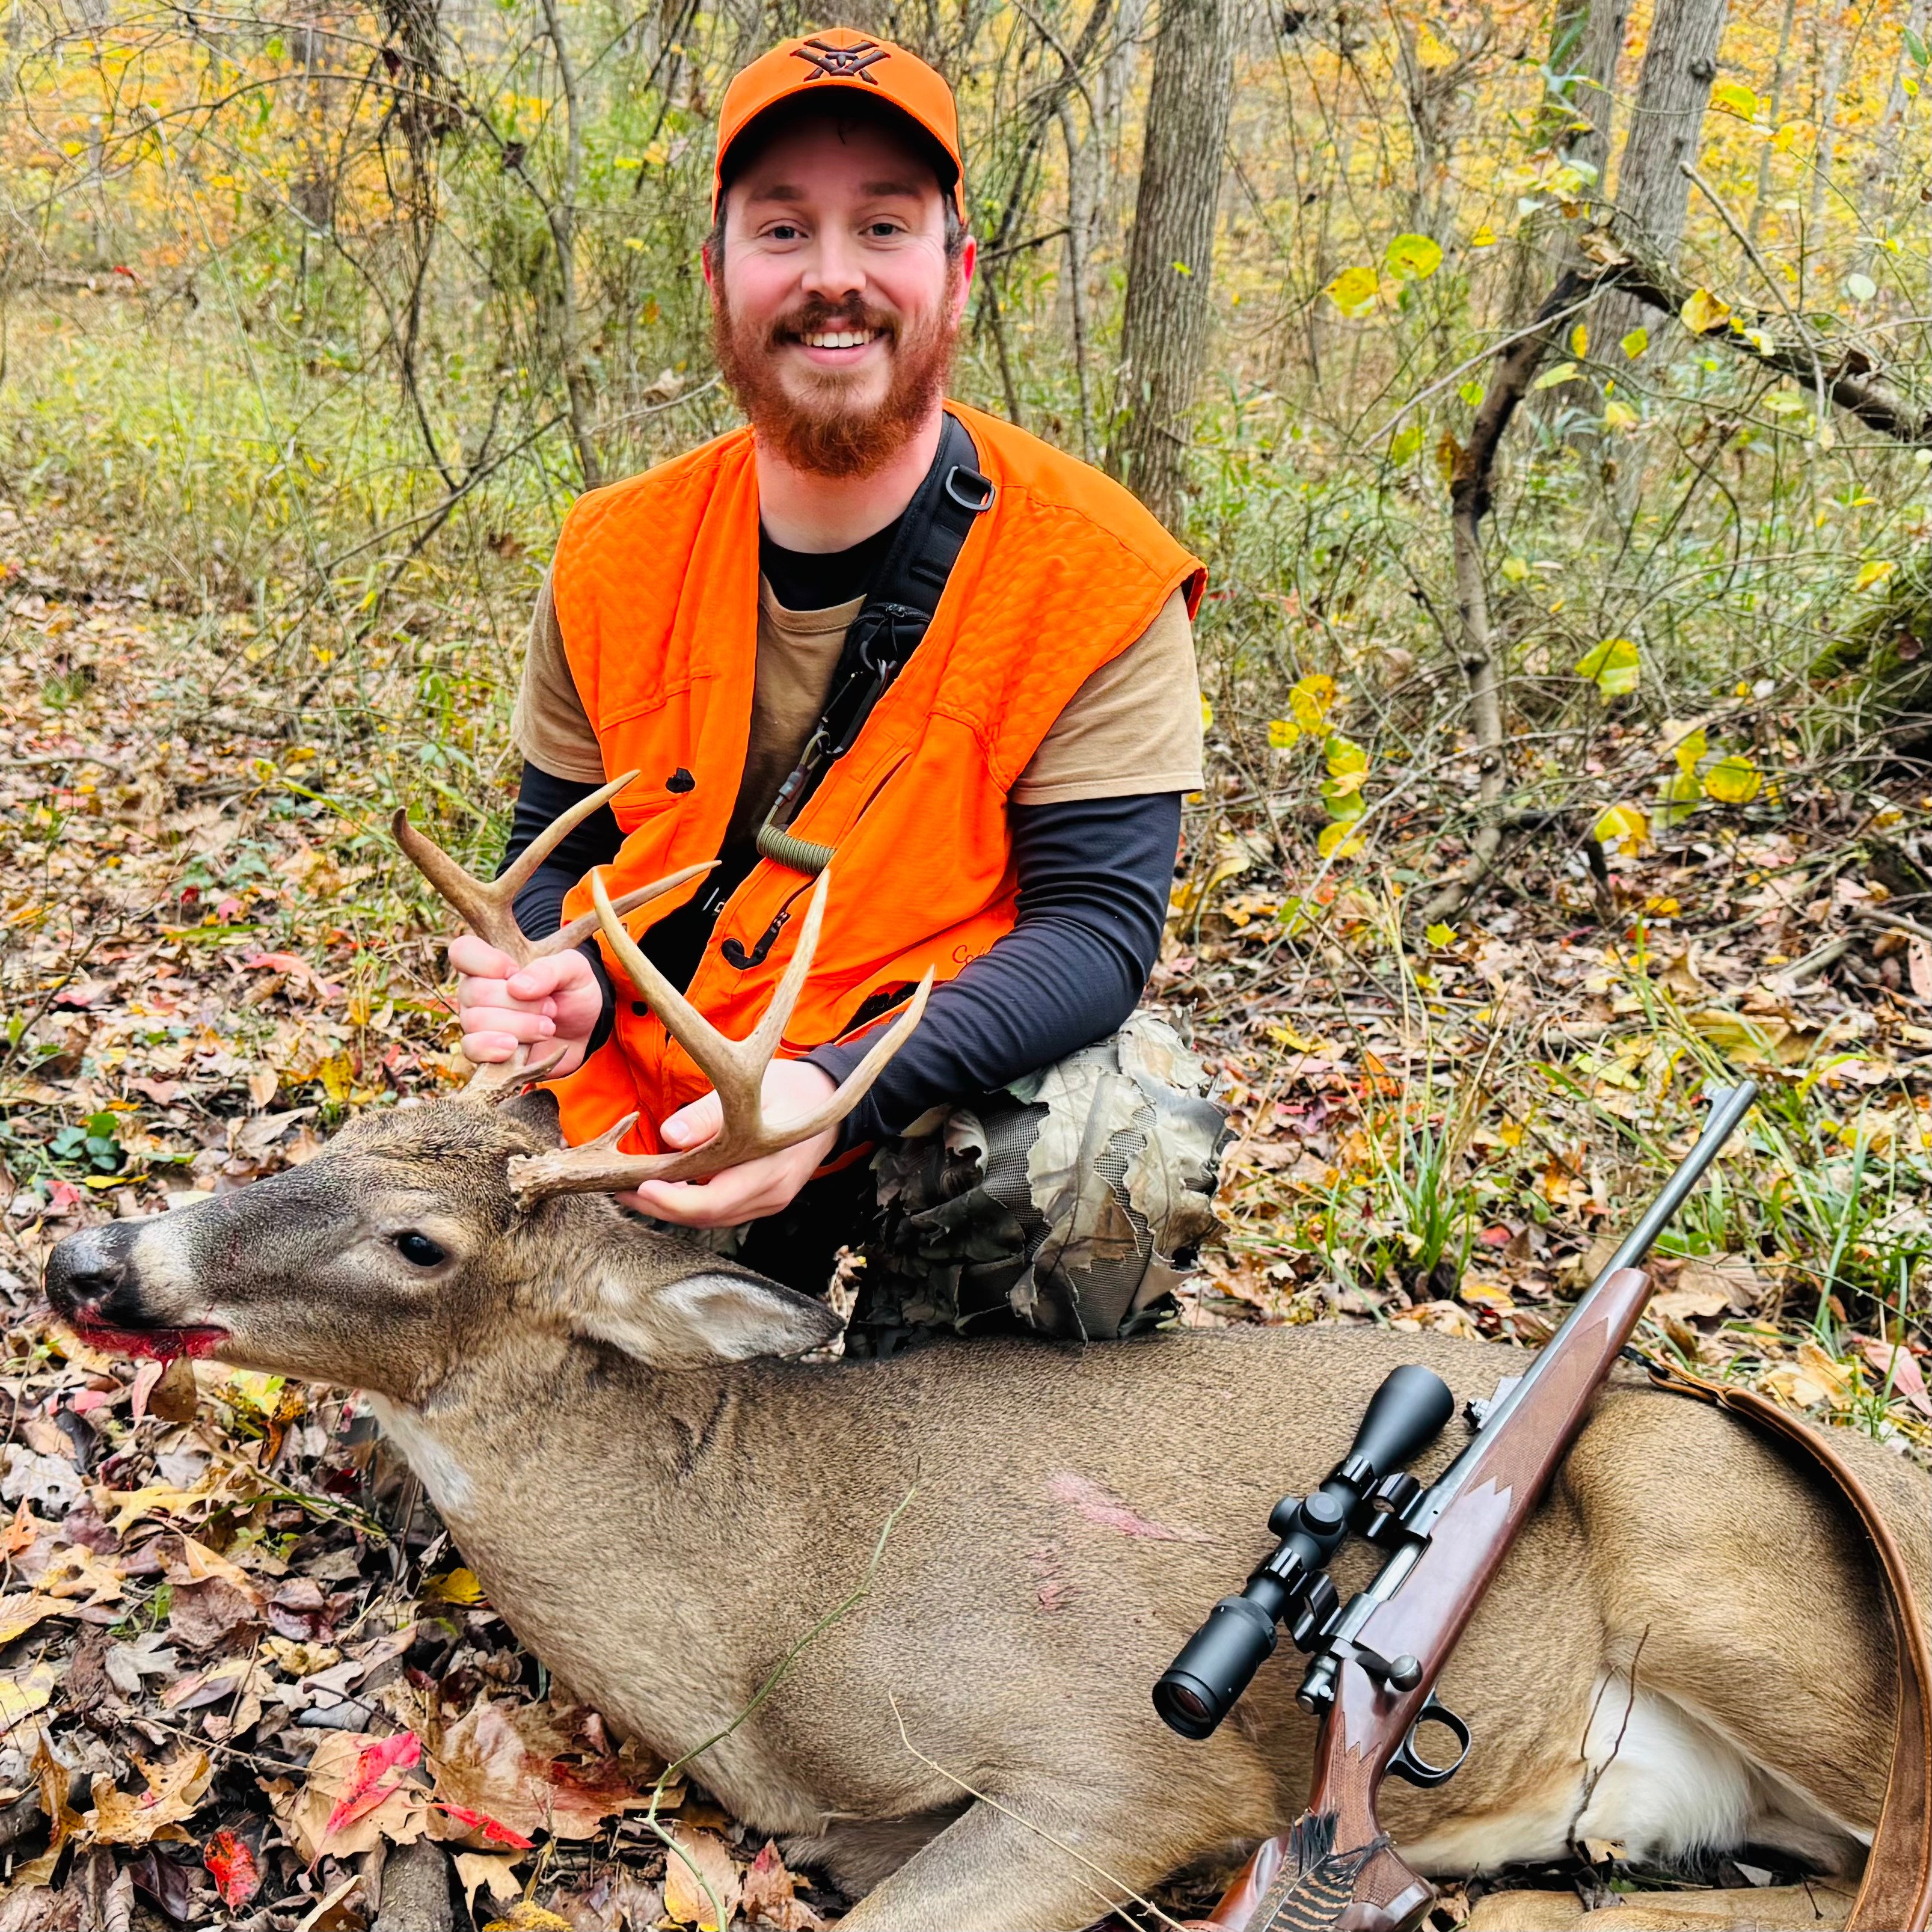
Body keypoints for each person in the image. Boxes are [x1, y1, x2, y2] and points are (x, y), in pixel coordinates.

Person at [453, 28, 1227, 1351]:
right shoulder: (613, 551)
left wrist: (828, 1094)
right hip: (661, 1088)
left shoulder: (1091, 573)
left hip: (919, 1083)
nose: (831, 279)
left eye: (881, 226)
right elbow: (548, 846)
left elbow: (1095, 930)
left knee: (1115, 1140)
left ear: (956, 272)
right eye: (780, 230)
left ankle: (927, 1434)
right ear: (716, 274)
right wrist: (550, 974)